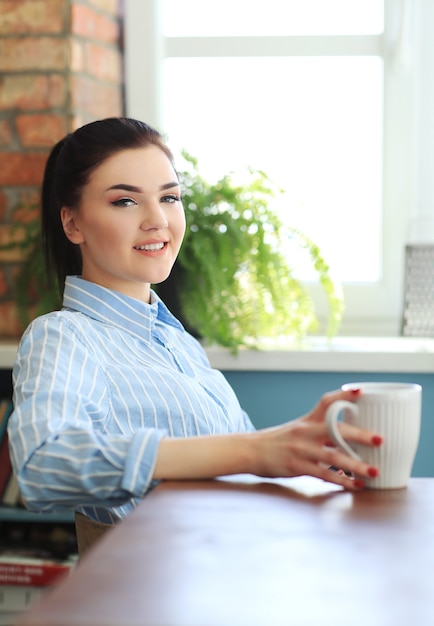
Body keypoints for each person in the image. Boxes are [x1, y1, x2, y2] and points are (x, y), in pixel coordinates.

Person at [7, 117, 382, 554]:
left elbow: (247, 461)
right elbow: (41, 464)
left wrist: (309, 455)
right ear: (73, 224)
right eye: (125, 201)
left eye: (169, 197)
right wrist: (253, 452)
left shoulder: (180, 344)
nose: (157, 219)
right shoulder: (64, 336)